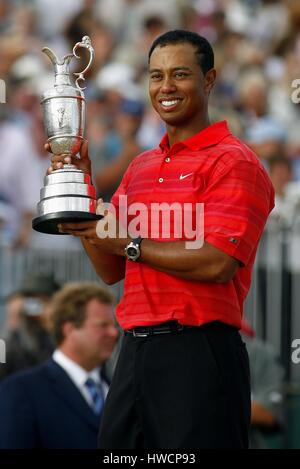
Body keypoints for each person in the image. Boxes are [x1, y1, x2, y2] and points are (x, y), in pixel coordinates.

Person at [47, 30, 275, 449]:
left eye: (180, 74)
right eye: (156, 76)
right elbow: (111, 269)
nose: (165, 87)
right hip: (134, 352)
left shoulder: (235, 161)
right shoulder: (140, 167)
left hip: (199, 352)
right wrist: (80, 196)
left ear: (209, 81)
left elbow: (217, 262)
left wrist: (128, 243)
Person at [0, 282, 119, 448]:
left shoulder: (118, 390)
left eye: (114, 325)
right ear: (69, 329)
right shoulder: (19, 390)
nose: (114, 333)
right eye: (102, 325)